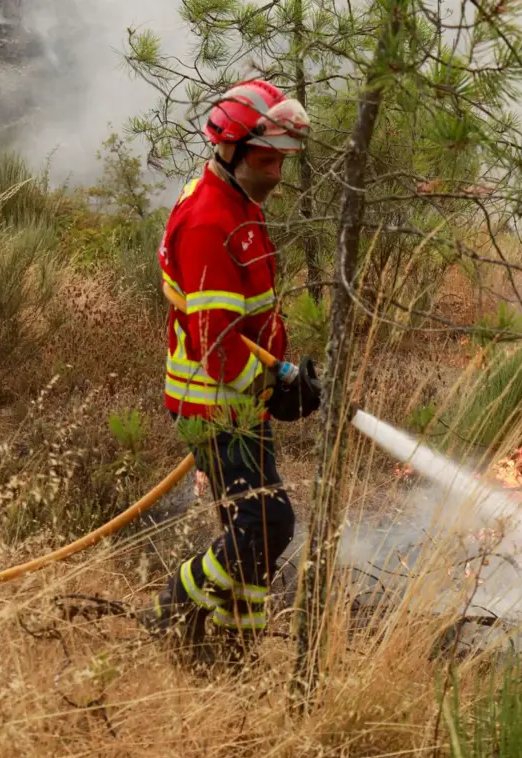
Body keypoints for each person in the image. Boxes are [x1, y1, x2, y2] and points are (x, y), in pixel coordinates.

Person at [139, 79, 311, 665]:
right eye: (270, 157)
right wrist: (276, 387)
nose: (279, 170)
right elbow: (217, 345)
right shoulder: (212, 221)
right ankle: (174, 607)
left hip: (238, 402)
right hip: (213, 405)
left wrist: (283, 375)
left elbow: (246, 319)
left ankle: (233, 651)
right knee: (268, 524)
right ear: (234, 150)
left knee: (255, 527)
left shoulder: (238, 202)